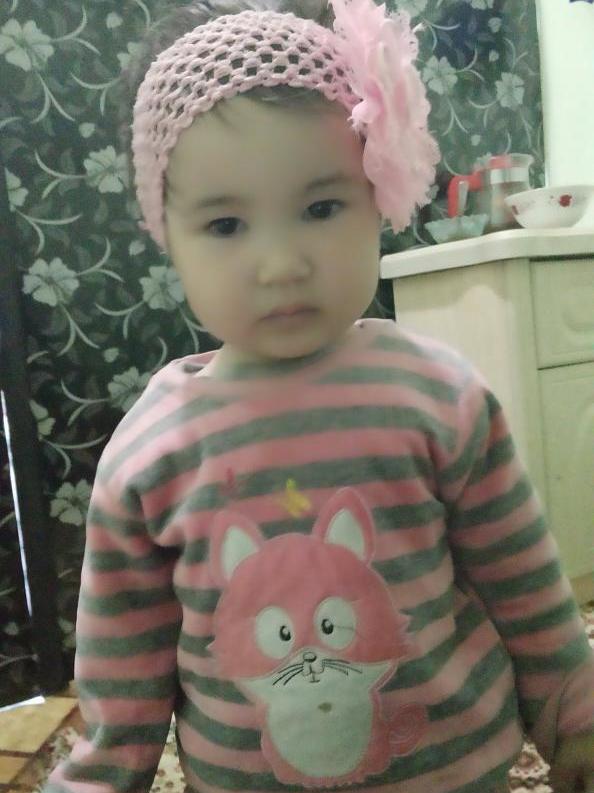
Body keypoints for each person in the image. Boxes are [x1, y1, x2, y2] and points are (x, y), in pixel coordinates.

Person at [44, 0, 594, 791]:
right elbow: (123, 663)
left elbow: (524, 583)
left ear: (379, 196)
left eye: (321, 208)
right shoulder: (152, 448)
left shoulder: (437, 394)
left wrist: (575, 710)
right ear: (169, 235)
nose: (281, 264)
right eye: (226, 225)